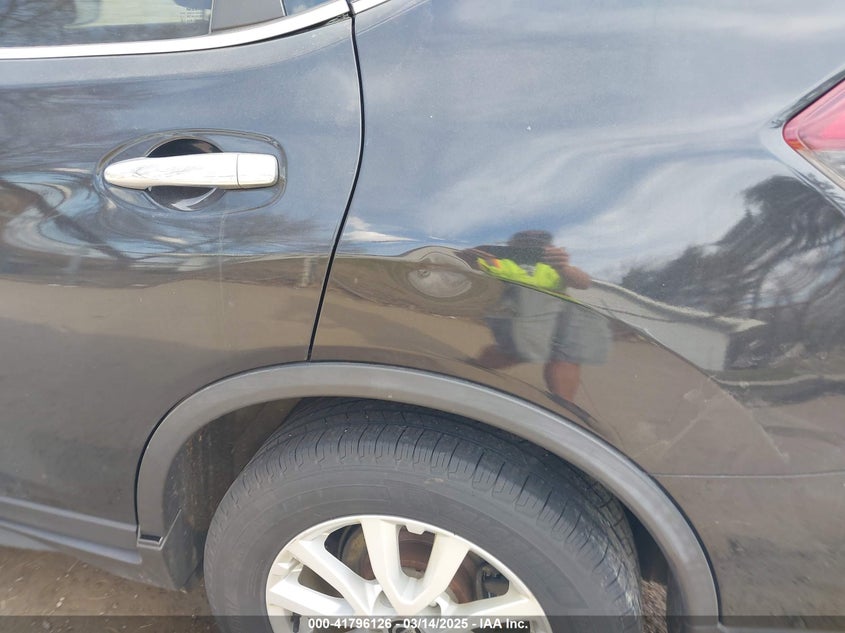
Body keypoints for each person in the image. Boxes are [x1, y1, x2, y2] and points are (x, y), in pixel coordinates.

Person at [470, 230, 609, 403]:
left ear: (550, 247)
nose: (531, 246)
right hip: (520, 313)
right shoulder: (504, 262)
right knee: (518, 353)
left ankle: (563, 404)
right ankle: (477, 365)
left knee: (567, 355)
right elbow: (477, 265)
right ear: (512, 246)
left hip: (559, 316)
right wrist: (478, 255)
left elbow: (583, 283)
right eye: (524, 243)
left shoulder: (556, 267)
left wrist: (563, 267)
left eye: (539, 244)